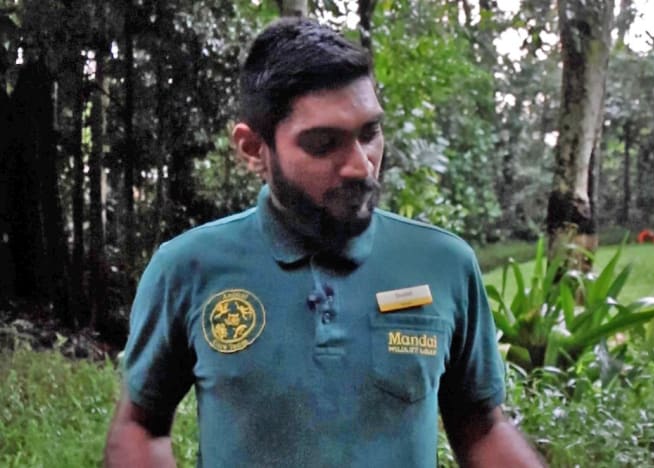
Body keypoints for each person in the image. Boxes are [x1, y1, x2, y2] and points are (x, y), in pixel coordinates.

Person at [104, 17, 545, 468]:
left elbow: (481, 426)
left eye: (369, 133)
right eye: (323, 143)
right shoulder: (188, 268)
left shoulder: (443, 264)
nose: (361, 166)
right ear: (254, 148)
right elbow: (142, 425)